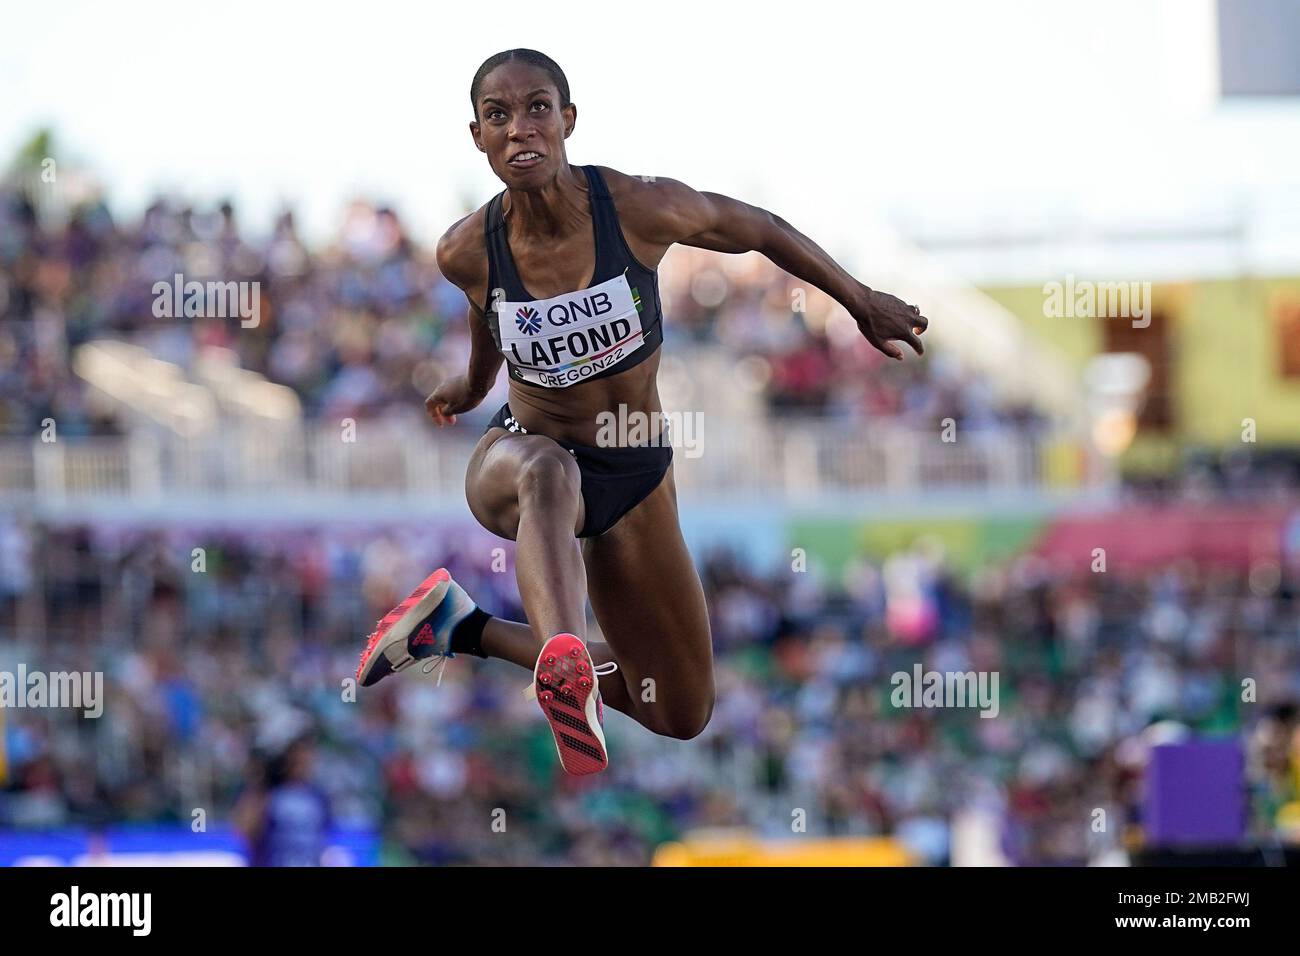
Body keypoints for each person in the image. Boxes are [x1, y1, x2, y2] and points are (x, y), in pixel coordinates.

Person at [356, 49, 928, 775]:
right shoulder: (467, 248)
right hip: (521, 454)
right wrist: (474, 389)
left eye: (537, 107)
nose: (520, 129)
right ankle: (561, 654)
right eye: (498, 116)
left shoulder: (636, 208)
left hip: (633, 473)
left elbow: (760, 227)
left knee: (677, 709)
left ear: (569, 119)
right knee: (549, 473)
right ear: (478, 137)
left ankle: (460, 627)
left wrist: (859, 301)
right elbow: (488, 313)